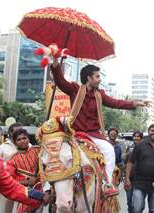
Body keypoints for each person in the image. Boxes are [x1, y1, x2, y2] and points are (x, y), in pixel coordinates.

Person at [51, 57, 148, 197]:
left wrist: (135, 103)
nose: (99, 79)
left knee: (109, 150)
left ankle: (106, 184)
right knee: (54, 152)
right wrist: (55, 61)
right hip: (74, 134)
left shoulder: (100, 95)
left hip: (93, 135)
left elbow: (116, 103)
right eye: (97, 76)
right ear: (89, 78)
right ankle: (48, 186)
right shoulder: (74, 89)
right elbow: (60, 81)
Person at [127, 124, 154, 213]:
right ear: (148, 132)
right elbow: (130, 162)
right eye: (152, 130)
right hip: (139, 183)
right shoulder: (140, 145)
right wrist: (127, 179)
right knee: (137, 209)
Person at [6, 128, 42, 213]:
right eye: (19, 139)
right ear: (15, 142)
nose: (22, 141)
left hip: (45, 187)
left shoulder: (38, 150)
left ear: (28, 139)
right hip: (27, 194)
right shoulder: (12, 160)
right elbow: (10, 182)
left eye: (24, 138)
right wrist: (26, 182)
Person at [0, 122, 23, 213]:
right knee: (7, 206)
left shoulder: (28, 146)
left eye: (21, 131)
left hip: (24, 182)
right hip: (7, 182)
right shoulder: (3, 147)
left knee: (23, 206)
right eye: (17, 131)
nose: (20, 133)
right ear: (10, 133)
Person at [124, 130, 143, 213]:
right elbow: (125, 161)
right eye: (135, 136)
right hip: (129, 178)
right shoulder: (129, 147)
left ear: (141, 138)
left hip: (140, 179)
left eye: (138, 136)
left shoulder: (144, 148)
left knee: (139, 203)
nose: (136, 138)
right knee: (129, 200)